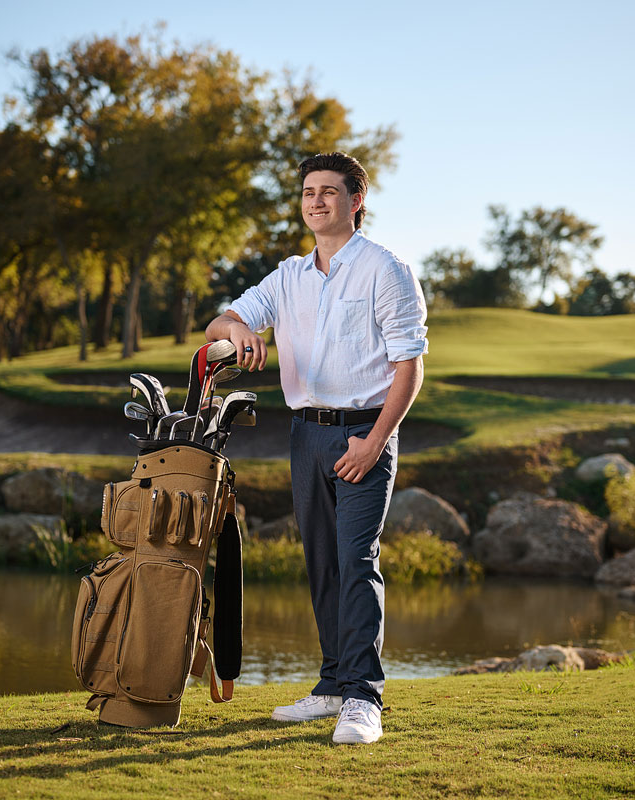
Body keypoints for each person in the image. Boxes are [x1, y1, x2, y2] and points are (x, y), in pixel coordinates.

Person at [205, 152, 428, 745]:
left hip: (364, 431)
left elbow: (409, 368)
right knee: (322, 564)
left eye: (329, 191)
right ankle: (332, 683)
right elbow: (217, 325)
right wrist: (240, 330)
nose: (316, 201)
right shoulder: (287, 277)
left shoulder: (386, 269)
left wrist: (375, 442)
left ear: (356, 201)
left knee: (356, 562)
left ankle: (363, 697)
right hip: (305, 435)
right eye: (308, 191)